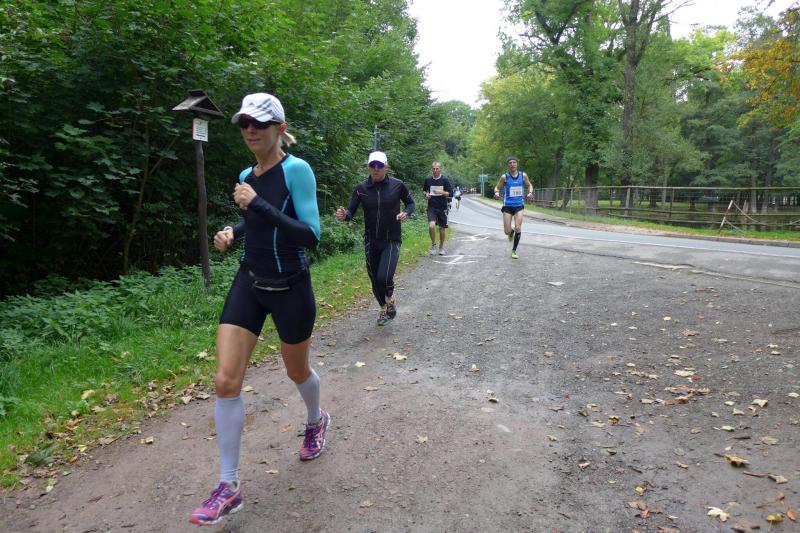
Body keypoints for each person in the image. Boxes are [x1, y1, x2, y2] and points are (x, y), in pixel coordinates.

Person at [189, 93, 329, 526]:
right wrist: (234, 230)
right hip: (250, 280)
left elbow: (310, 235)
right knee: (225, 380)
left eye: (260, 123)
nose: (250, 130)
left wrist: (256, 204)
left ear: (280, 129)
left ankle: (315, 419)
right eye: (244, 123)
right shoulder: (245, 176)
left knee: (296, 371)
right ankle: (228, 485)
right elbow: (257, 222)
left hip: (291, 286)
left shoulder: (297, 170)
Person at [335, 151, 415, 326]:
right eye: (373, 165)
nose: (376, 169)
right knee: (374, 278)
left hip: (391, 238)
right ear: (368, 168)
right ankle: (384, 308)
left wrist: (406, 213)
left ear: (386, 167)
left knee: (383, 277)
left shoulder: (397, 185)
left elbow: (411, 203)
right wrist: (344, 215)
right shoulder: (361, 189)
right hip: (371, 240)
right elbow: (350, 212)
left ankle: (390, 297)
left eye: (380, 165)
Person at [494, 156, 534, 259]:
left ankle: (514, 251)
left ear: (517, 164)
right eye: (510, 163)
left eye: (514, 162)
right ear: (508, 165)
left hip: (519, 205)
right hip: (507, 205)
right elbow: (497, 187)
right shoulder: (505, 177)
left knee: (518, 227)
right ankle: (511, 233)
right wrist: (496, 192)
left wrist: (530, 192)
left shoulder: (523, 175)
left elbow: (529, 185)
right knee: (507, 231)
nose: (512, 164)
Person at [423, 161, 453, 256]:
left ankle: (441, 247)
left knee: (442, 228)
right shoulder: (428, 180)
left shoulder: (445, 180)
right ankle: (433, 245)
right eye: (434, 168)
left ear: (440, 169)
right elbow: (424, 191)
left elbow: (450, 194)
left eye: (437, 168)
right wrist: (426, 194)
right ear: (432, 169)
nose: (435, 170)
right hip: (432, 207)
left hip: (442, 207)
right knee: (431, 226)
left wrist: (441, 192)